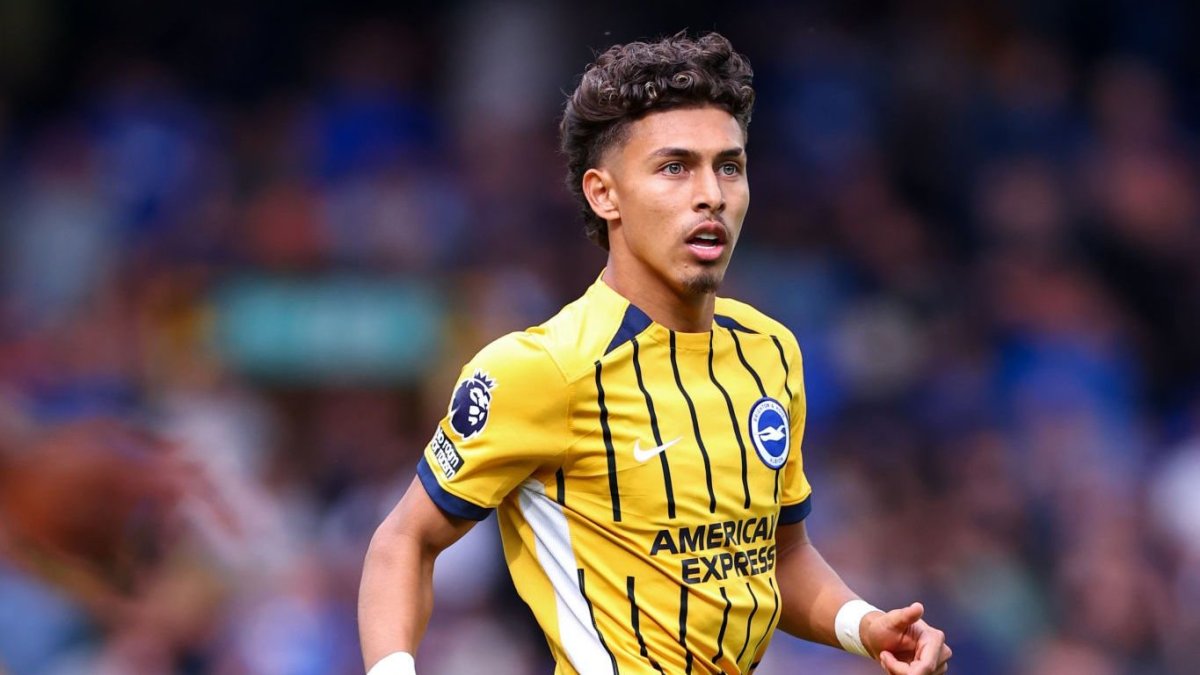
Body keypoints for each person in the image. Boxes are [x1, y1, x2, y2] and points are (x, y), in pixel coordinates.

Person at [359, 31, 952, 675]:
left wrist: (865, 627)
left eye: (729, 165)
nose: (712, 194)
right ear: (603, 193)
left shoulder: (771, 352)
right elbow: (404, 541)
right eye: (675, 167)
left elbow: (776, 557)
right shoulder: (542, 369)